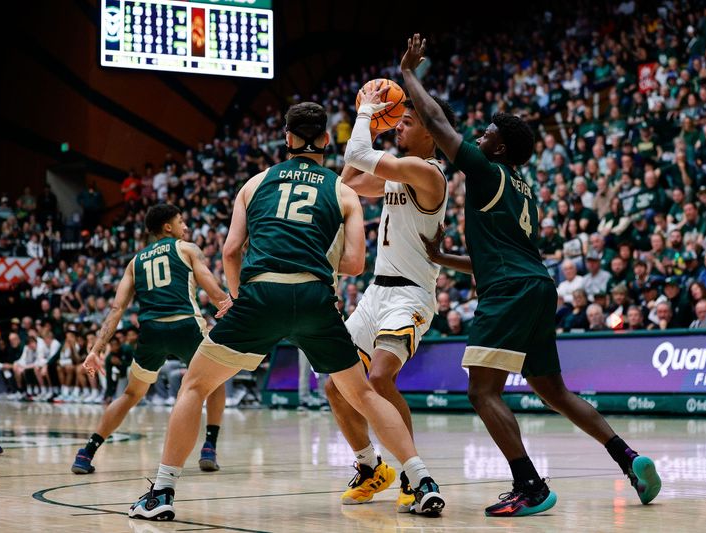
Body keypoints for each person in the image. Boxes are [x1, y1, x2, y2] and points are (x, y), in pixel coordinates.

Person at [128, 102, 445, 521]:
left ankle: (162, 492)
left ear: (287, 138)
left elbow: (230, 251)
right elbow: (353, 265)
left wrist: (240, 299)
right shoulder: (342, 190)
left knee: (194, 387)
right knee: (364, 393)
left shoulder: (254, 184)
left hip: (260, 297)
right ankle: (421, 480)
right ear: (327, 141)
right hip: (316, 300)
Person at [403, 34, 660, 517]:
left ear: (500, 144)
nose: (479, 135)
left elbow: (437, 122)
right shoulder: (524, 188)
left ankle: (530, 486)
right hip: (536, 284)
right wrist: (446, 257)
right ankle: (628, 457)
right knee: (553, 390)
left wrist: (409, 74)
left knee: (482, 391)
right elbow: (504, 253)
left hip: (511, 290)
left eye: (487, 132)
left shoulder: (484, 169)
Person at [323, 81, 454, 511]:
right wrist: (376, 129)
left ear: (432, 134)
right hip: (376, 294)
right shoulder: (399, 172)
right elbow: (346, 183)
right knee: (336, 387)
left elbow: (355, 156)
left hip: (410, 297)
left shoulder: (429, 174)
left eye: (409, 122)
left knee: (379, 378)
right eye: (398, 120)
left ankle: (414, 475)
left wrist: (365, 117)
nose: (399, 125)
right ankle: (369, 467)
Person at [72, 203, 232, 475]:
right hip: (185, 326)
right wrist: (229, 303)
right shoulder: (187, 248)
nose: (187, 227)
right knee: (215, 382)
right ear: (168, 227)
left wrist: (95, 350)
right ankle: (209, 447)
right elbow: (210, 287)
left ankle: (86, 452)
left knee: (131, 394)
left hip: (151, 332)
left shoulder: (135, 262)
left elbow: (116, 309)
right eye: (182, 222)